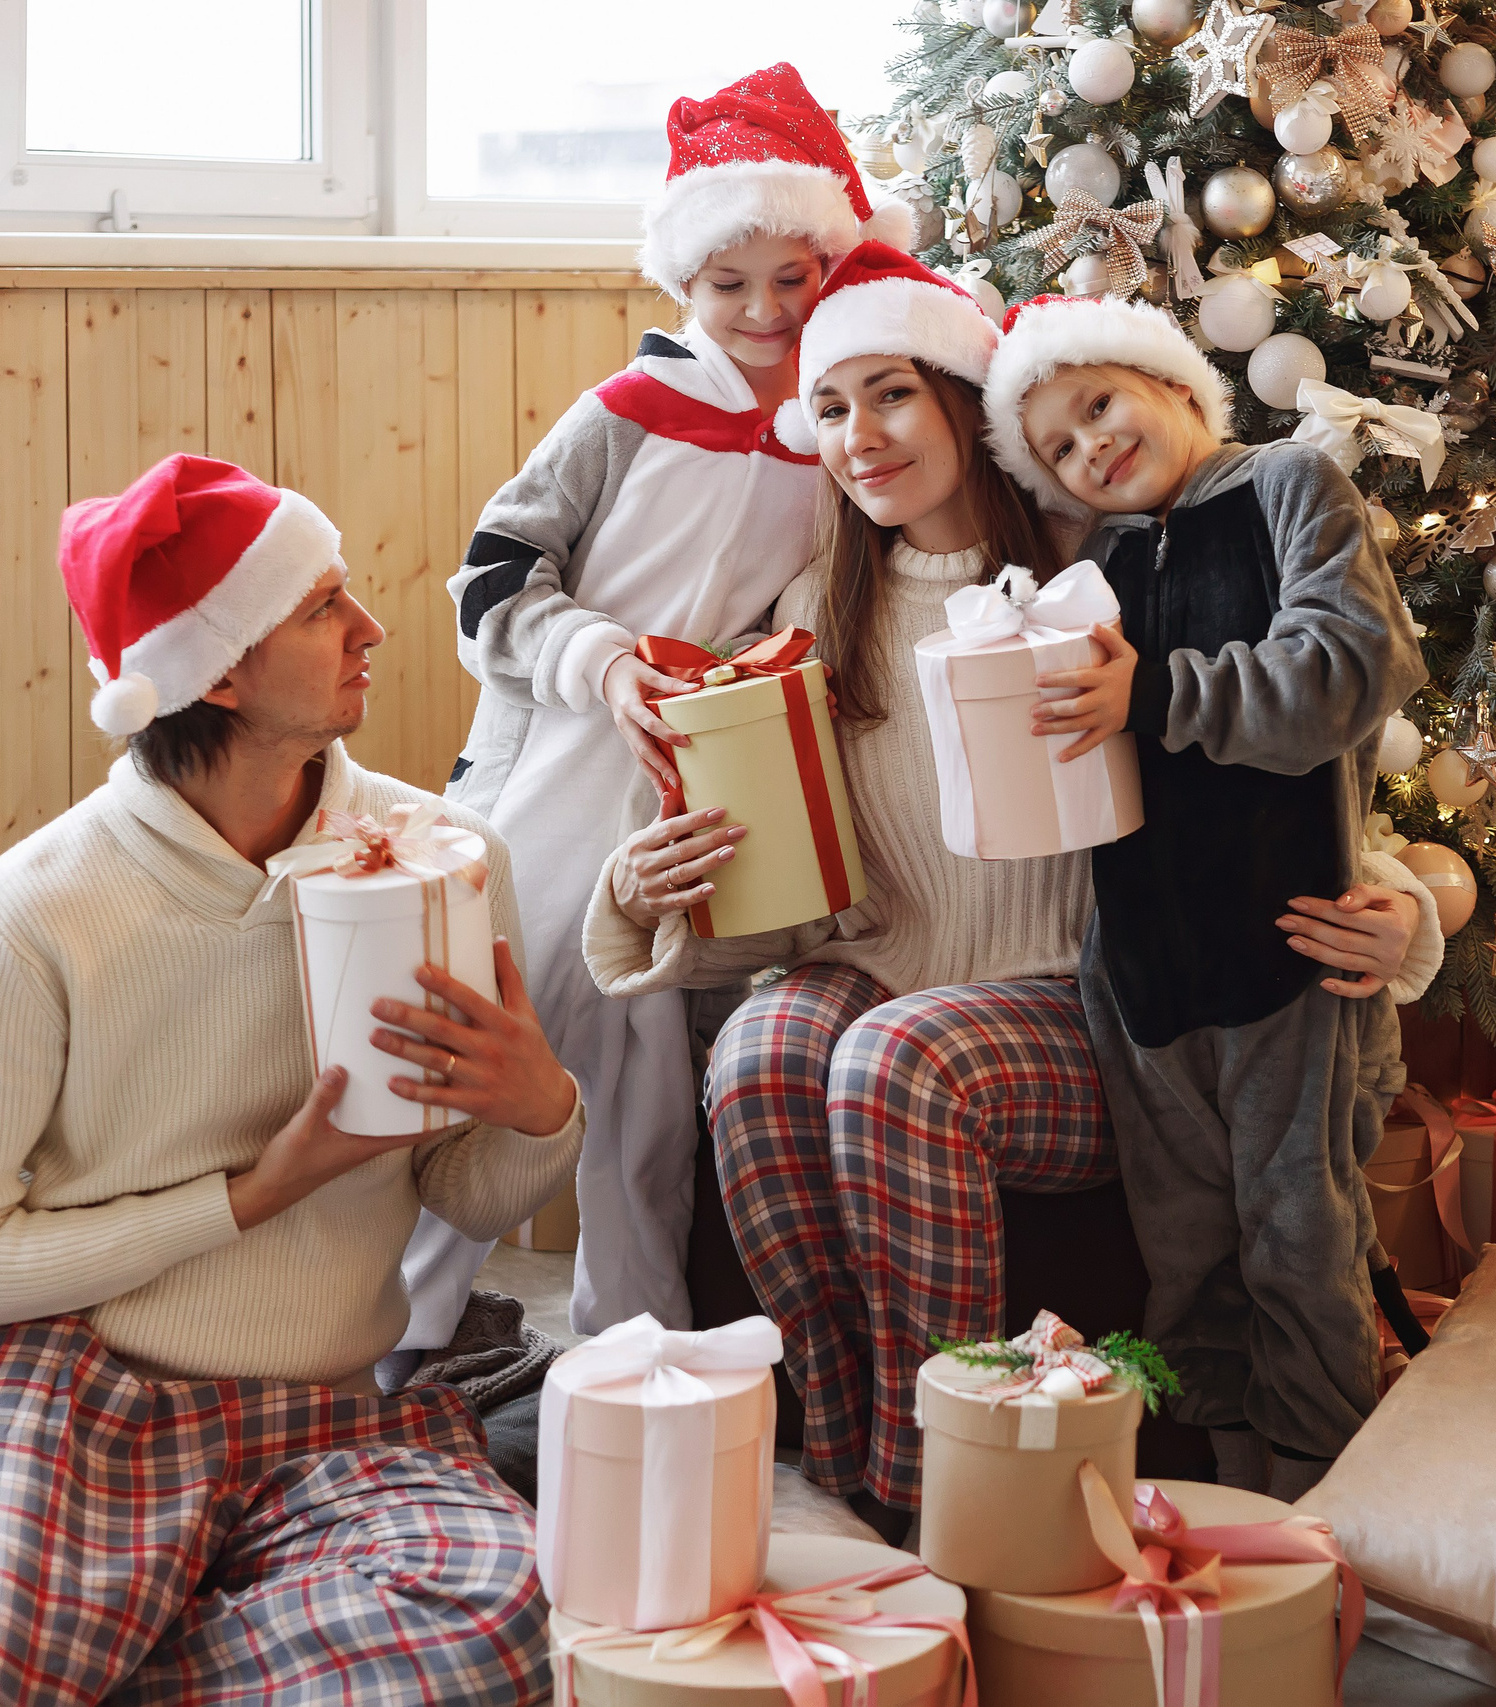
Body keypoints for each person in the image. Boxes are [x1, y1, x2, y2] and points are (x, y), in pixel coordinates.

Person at [0, 455, 581, 1705]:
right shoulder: (36, 912)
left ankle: (59, 1670)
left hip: (321, 1404)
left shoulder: (438, 860)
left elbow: (466, 1188)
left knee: (499, 1639)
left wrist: (538, 1106)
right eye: (322, 604)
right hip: (63, 1385)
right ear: (218, 671)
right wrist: (254, 1194)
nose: (372, 626)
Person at [586, 247, 1430, 1536]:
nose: (858, 438)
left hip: (1082, 1011)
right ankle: (849, 1452)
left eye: (891, 396)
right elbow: (795, 903)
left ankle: (953, 1484)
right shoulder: (820, 610)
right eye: (828, 409)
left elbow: (1282, 764)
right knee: (762, 1047)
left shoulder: (1110, 562)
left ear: (963, 407)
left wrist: (1419, 907)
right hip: (889, 977)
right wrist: (649, 899)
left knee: (891, 1062)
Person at [437, 64, 907, 1342]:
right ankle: (390, 1352)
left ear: (832, 268)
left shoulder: (839, 425)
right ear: (683, 284)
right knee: (484, 1072)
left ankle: (628, 1362)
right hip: (553, 780)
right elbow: (487, 576)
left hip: (688, 811)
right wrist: (599, 660)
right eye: (726, 283)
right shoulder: (623, 416)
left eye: (790, 280)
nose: (761, 311)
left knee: (645, 1102)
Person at [983, 295, 1447, 1501]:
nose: (1092, 446)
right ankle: (1232, 1515)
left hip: (1288, 953)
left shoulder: (1288, 486)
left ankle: (1327, 1528)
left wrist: (1155, 696)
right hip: (1141, 976)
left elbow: (1349, 669)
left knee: (1303, 1246)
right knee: (1186, 1265)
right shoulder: (1103, 565)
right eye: (1062, 448)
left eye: (1099, 404)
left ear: (1177, 386)